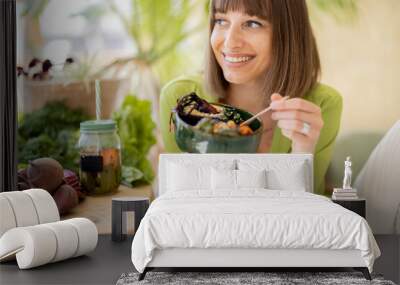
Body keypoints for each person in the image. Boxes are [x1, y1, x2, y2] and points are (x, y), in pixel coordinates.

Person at [159, 0, 343, 196]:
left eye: (252, 23)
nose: (230, 42)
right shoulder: (180, 99)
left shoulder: (320, 105)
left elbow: (311, 215)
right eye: (221, 21)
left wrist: (303, 150)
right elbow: (176, 203)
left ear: (289, 34)